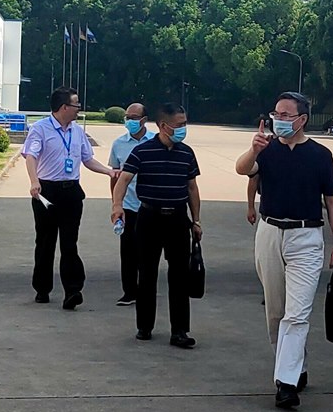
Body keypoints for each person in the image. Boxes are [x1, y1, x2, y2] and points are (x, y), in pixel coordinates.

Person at [235, 91, 333, 410]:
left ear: (302, 119)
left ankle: (285, 383)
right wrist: (254, 149)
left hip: (306, 236)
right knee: (276, 312)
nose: (279, 120)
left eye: (286, 115)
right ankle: (297, 366)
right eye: (276, 114)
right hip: (270, 232)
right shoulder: (267, 149)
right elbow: (243, 170)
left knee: (297, 313)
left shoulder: (320, 155)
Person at [111, 103, 202, 348]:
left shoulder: (186, 153)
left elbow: (192, 188)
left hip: (178, 219)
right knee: (147, 273)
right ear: (163, 125)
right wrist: (117, 206)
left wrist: (196, 220)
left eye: (185, 124)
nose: (183, 129)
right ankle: (144, 326)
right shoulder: (143, 151)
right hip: (149, 218)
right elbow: (123, 179)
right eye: (179, 125)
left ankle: (179, 330)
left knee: (180, 276)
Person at [22, 86, 118, 310]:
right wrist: (34, 181)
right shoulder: (40, 129)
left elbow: (87, 159)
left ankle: (73, 291)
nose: (79, 109)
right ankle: (42, 288)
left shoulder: (77, 131)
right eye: (76, 105)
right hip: (47, 191)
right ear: (64, 107)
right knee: (45, 242)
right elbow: (31, 156)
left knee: (69, 242)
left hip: (71, 192)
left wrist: (108, 172)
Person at [108, 102, 155, 307]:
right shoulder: (119, 144)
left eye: (134, 118)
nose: (129, 121)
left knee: (148, 252)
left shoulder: (155, 141)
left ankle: (146, 290)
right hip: (128, 205)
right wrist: (115, 204)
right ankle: (129, 292)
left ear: (144, 120)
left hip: (150, 205)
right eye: (127, 117)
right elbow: (115, 176)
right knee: (128, 251)